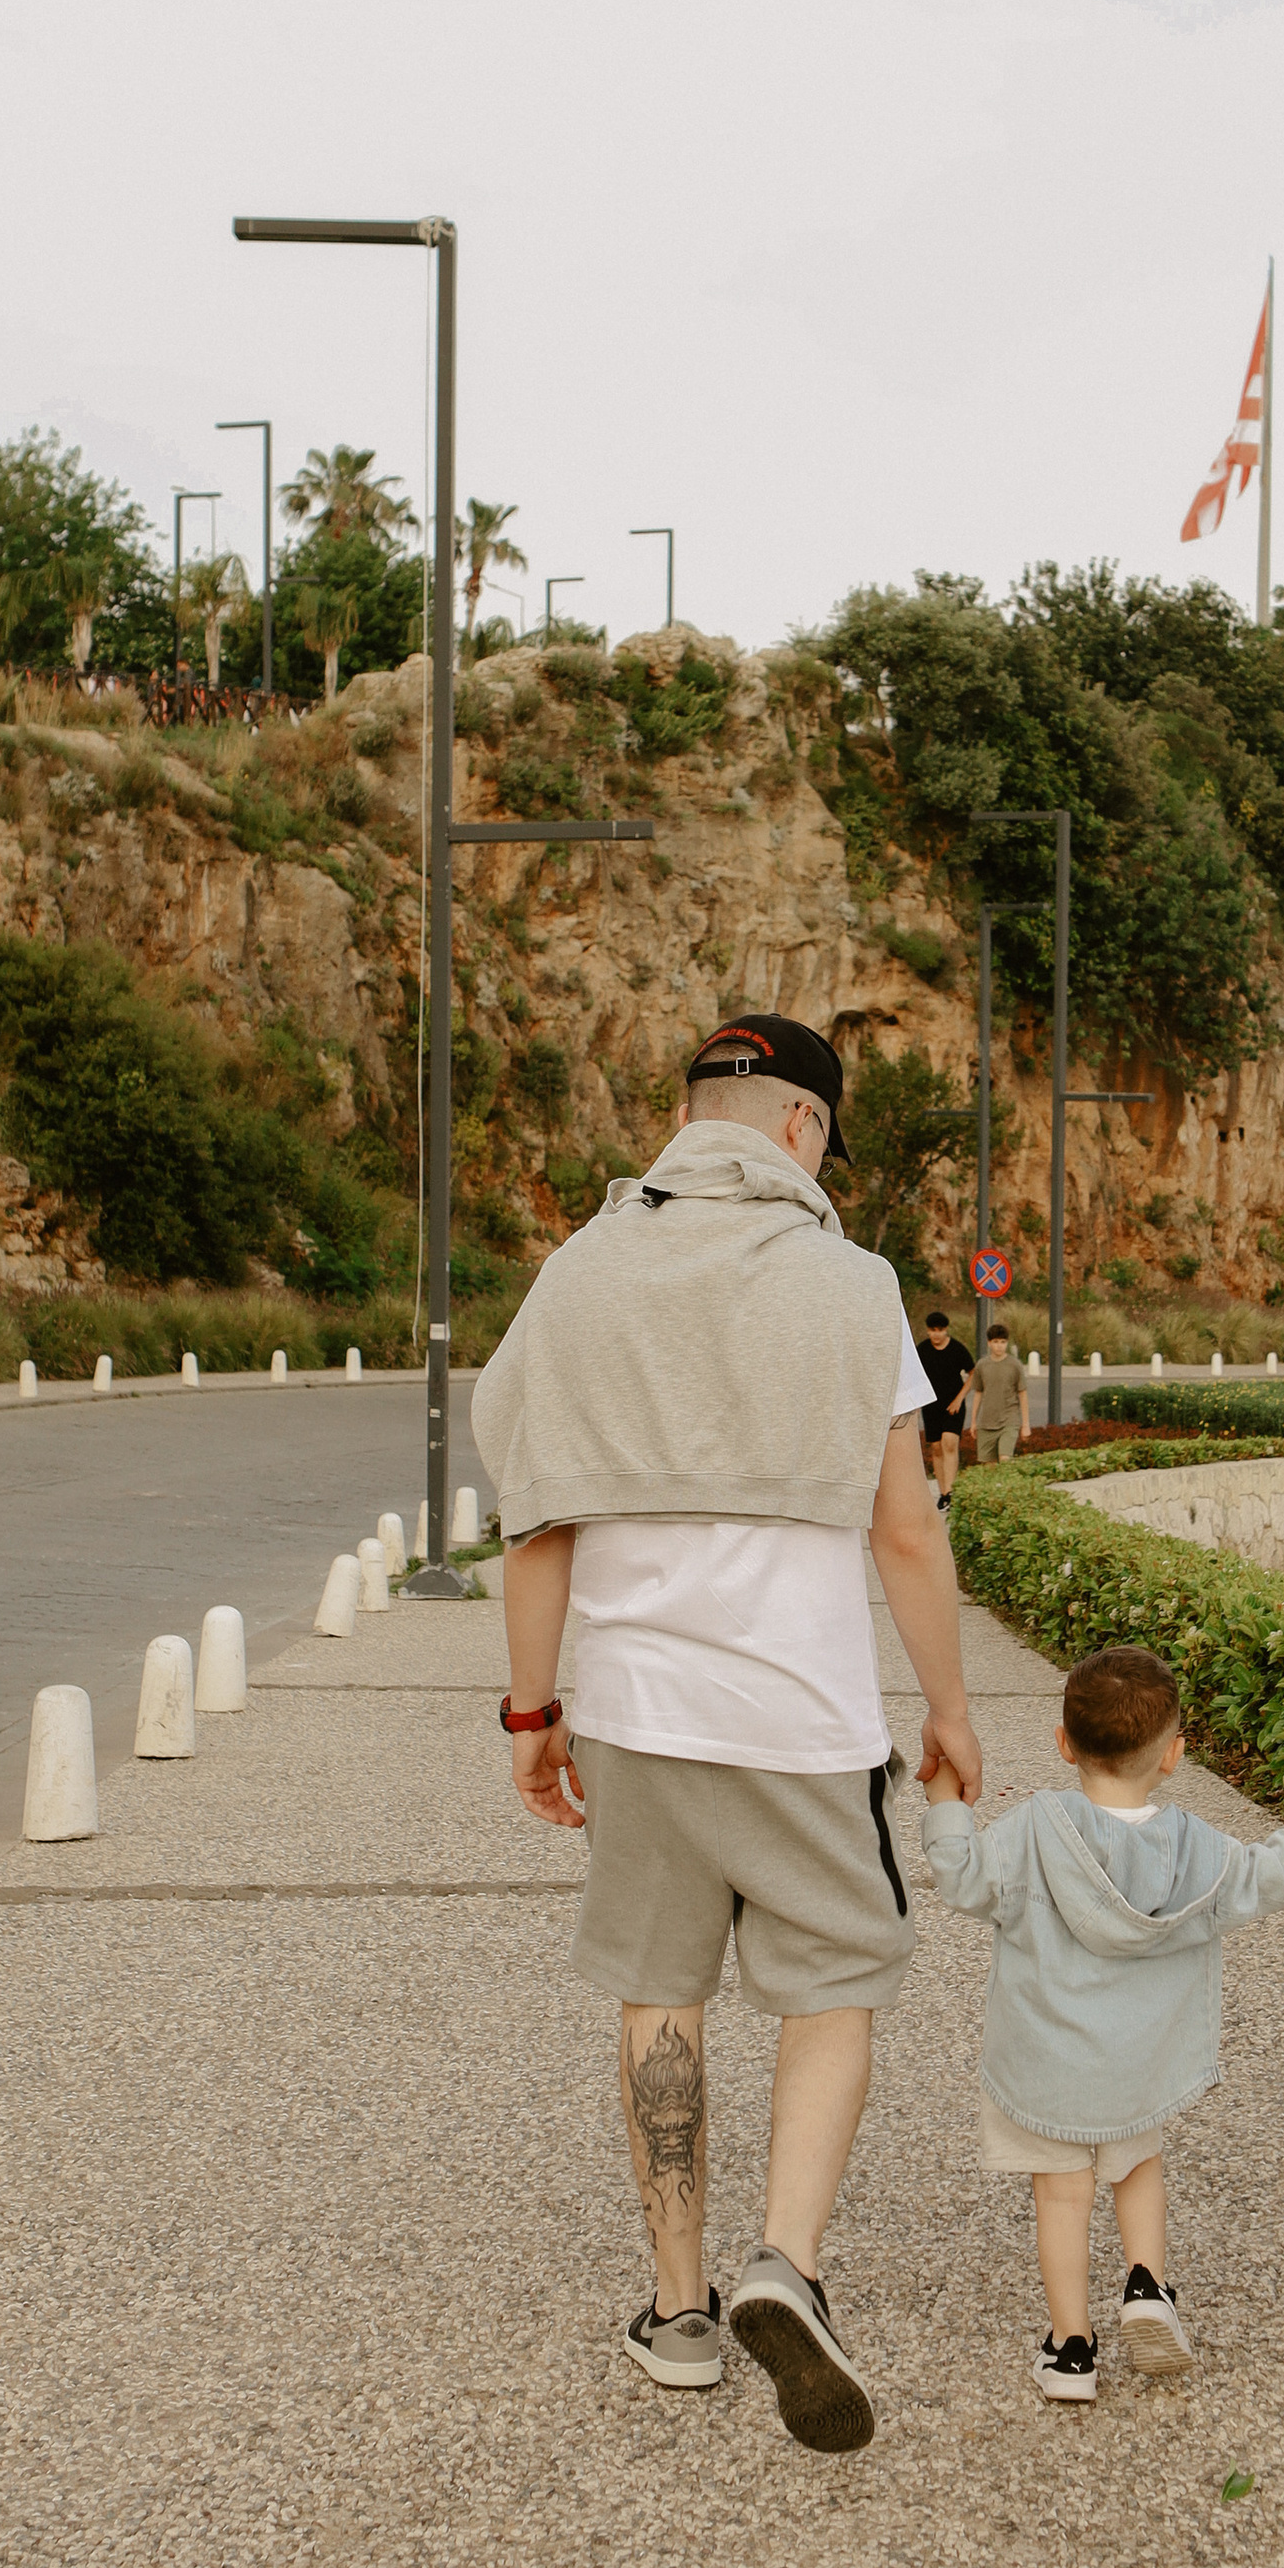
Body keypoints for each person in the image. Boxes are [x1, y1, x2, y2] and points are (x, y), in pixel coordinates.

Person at [474, 1011, 981, 2455]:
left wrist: (534, 1711)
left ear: (692, 1115)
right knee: (834, 1990)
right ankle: (787, 2264)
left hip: (636, 1715)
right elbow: (905, 1530)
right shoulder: (852, 1284)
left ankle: (680, 2309)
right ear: (803, 1129)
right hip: (802, 1718)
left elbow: (536, 1529)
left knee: (660, 1992)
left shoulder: (578, 1273)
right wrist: (949, 1709)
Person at [926, 1645, 1284, 2398]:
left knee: (1062, 2195)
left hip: (1048, 2067)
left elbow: (959, 1877)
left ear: (1064, 1743)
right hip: (1139, 2063)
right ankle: (1148, 2286)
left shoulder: (1031, 1833)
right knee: (1138, 2164)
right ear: (1174, 1755)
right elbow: (1265, 1875)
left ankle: (1071, 2350)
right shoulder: (1196, 1851)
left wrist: (947, 1801)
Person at [917, 1306, 975, 1502]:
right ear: (928, 1331)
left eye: (940, 1330)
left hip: (953, 1406)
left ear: (946, 1330)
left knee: (949, 1442)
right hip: (931, 1406)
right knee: (936, 1447)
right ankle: (942, 1493)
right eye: (933, 1330)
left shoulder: (957, 1349)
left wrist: (959, 1399)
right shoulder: (922, 1349)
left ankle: (950, 1491)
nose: (936, 1334)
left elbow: (973, 1373)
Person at [968, 1321, 1028, 1467]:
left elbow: (1022, 1394)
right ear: (989, 1343)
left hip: (1009, 1420)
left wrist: (1025, 1425)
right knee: (989, 1467)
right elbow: (978, 1393)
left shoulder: (1015, 1365)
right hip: (986, 1422)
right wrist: (973, 1421)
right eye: (995, 1342)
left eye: (1003, 1342)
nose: (999, 1346)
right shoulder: (982, 1365)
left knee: (1005, 1459)